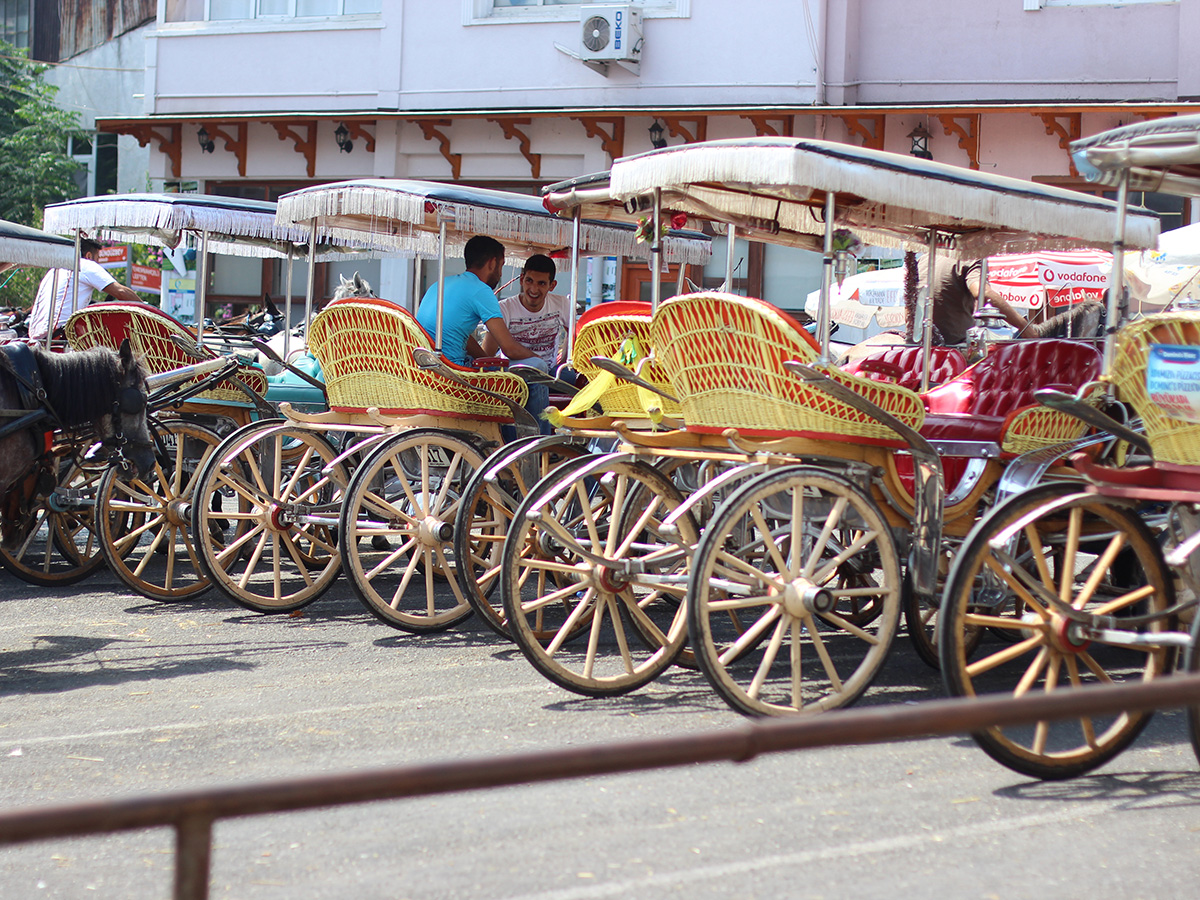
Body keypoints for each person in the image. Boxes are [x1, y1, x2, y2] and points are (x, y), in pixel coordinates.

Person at [481, 254, 572, 434]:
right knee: (537, 367)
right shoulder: (505, 308)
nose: (534, 289)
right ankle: (541, 442)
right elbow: (487, 352)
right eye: (529, 281)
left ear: (551, 286)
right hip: (515, 373)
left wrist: (565, 359)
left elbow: (576, 334)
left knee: (585, 378)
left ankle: (591, 445)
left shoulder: (562, 304)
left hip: (550, 371)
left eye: (541, 283)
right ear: (522, 280)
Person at [414, 235, 536, 368]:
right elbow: (509, 349)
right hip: (451, 371)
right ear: (492, 263)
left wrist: (487, 359)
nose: (501, 274)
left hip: (424, 367)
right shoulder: (481, 290)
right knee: (536, 367)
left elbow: (458, 334)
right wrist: (538, 359)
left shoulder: (440, 283)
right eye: (501, 266)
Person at [28, 238, 141, 341]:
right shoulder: (85, 265)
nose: (98, 263)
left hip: (36, 339)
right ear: (88, 256)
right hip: (60, 337)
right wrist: (149, 309)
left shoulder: (55, 269)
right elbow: (121, 292)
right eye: (97, 259)